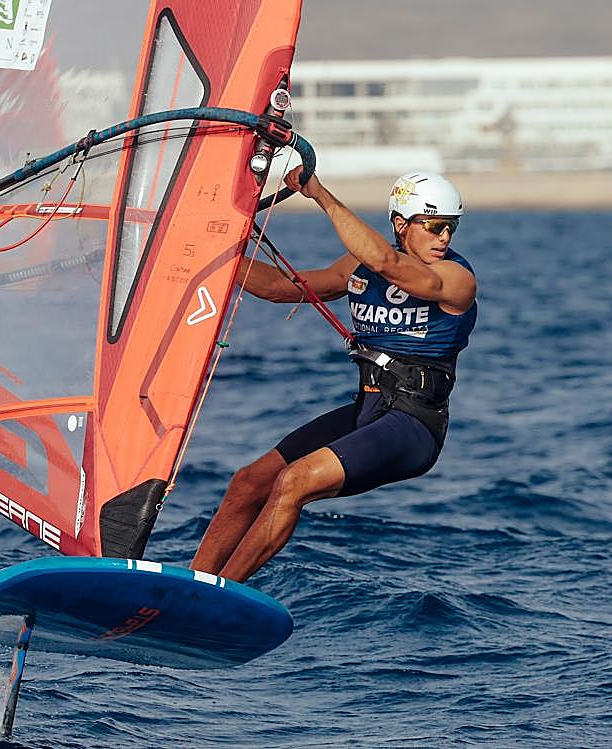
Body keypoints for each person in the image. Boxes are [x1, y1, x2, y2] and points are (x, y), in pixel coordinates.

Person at [191, 169, 478, 583]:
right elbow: (280, 287)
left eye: (450, 227)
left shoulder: (457, 279)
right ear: (402, 224)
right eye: (433, 226)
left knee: (295, 481)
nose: (444, 238)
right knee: (249, 482)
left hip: (415, 425)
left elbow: (387, 261)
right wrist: (211, 252)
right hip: (367, 410)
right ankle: (190, 583)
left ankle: (218, 595)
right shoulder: (359, 268)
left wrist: (320, 195)